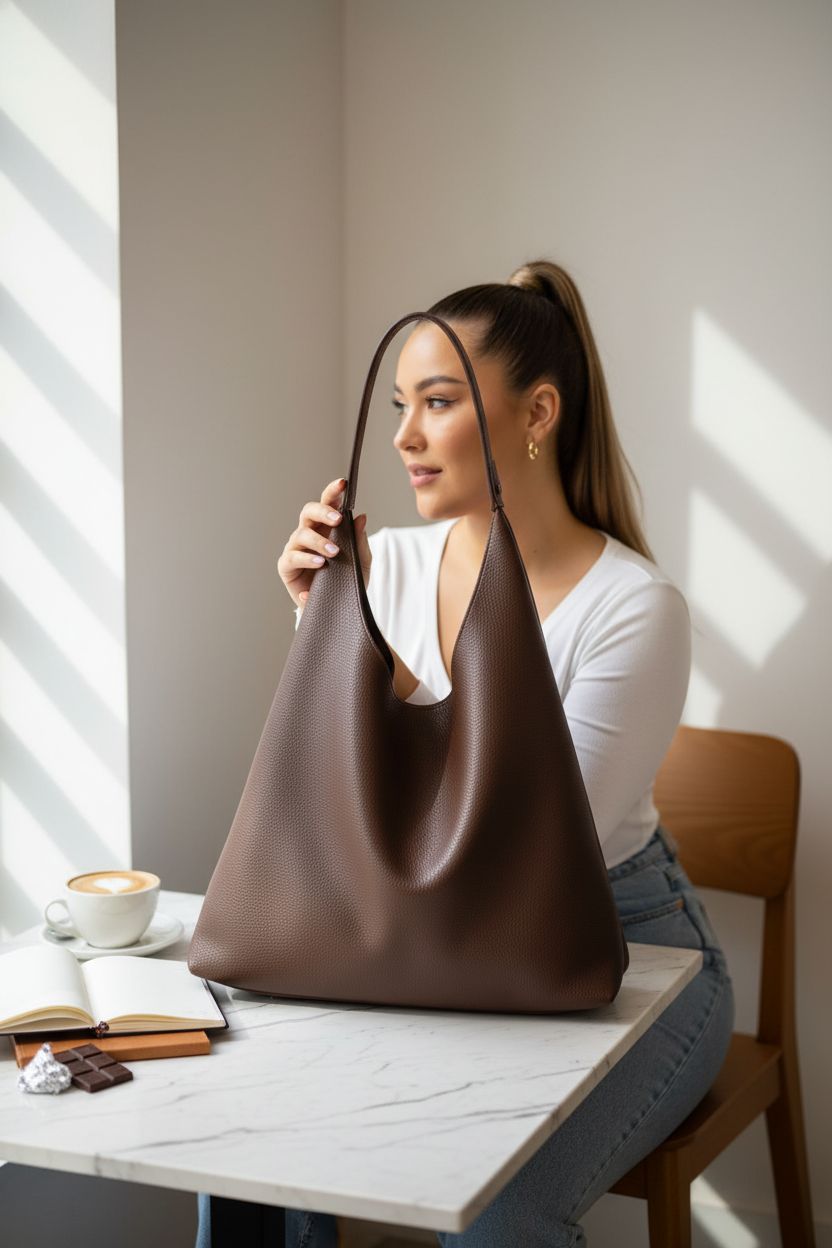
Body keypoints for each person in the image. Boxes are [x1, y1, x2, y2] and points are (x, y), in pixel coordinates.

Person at [195, 259, 734, 1247]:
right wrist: (323, 625)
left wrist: (370, 667)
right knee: (242, 1146)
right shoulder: (384, 565)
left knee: (502, 1212)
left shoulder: (634, 609)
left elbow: (523, 849)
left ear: (538, 414)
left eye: (437, 402)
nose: (404, 436)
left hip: (625, 956)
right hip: (407, 940)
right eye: (399, 404)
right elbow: (333, 801)